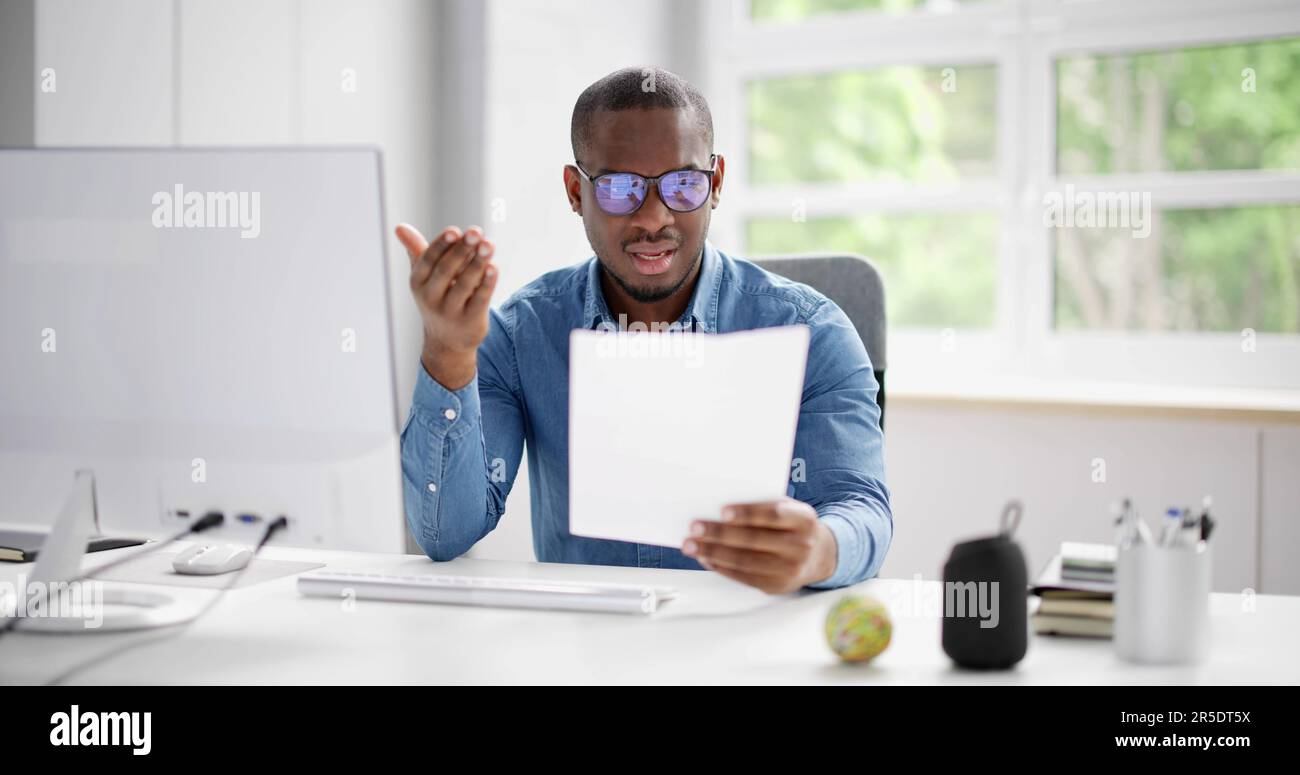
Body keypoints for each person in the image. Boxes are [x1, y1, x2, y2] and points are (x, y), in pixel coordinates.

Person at [394, 67, 891, 594]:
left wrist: (821, 548)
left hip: (747, 642)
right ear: (574, 191)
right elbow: (444, 536)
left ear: (716, 183)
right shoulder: (522, 335)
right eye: (619, 188)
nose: (653, 217)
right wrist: (448, 352)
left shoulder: (813, 331)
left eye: (683, 184)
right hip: (591, 651)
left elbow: (862, 510)